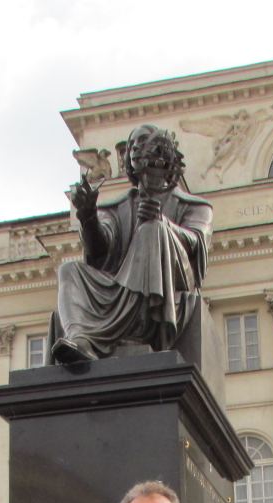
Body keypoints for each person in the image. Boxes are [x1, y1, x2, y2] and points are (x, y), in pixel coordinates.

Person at [51, 124, 212, 364]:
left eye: (145, 141)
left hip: (164, 292)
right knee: (69, 270)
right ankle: (81, 339)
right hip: (117, 289)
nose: (138, 148)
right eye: (133, 145)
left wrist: (164, 224)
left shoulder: (194, 206)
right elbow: (99, 253)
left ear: (166, 153)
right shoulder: (116, 207)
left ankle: (121, 326)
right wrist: (88, 217)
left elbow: (197, 244)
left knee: (152, 230)